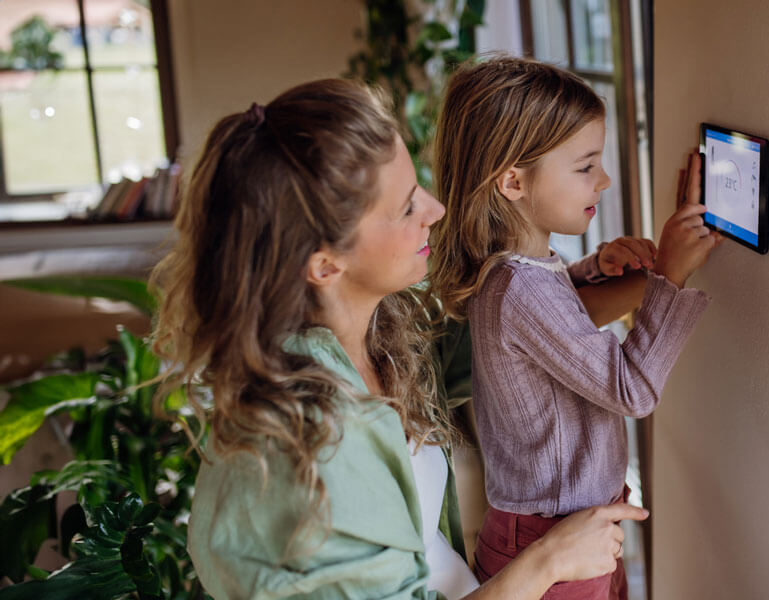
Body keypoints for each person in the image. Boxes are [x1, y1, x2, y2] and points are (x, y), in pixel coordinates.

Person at [150, 78, 647, 600]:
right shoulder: (305, 450)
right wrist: (548, 560)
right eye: (408, 206)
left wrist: (649, 273)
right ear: (324, 264)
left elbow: (540, 329)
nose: (435, 209)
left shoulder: (382, 332)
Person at [427, 56, 721, 600]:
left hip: (571, 528)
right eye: (586, 166)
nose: (604, 180)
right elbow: (632, 390)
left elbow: (554, 317)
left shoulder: (518, 267)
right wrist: (670, 280)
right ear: (512, 181)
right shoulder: (520, 287)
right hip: (551, 541)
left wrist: (596, 268)